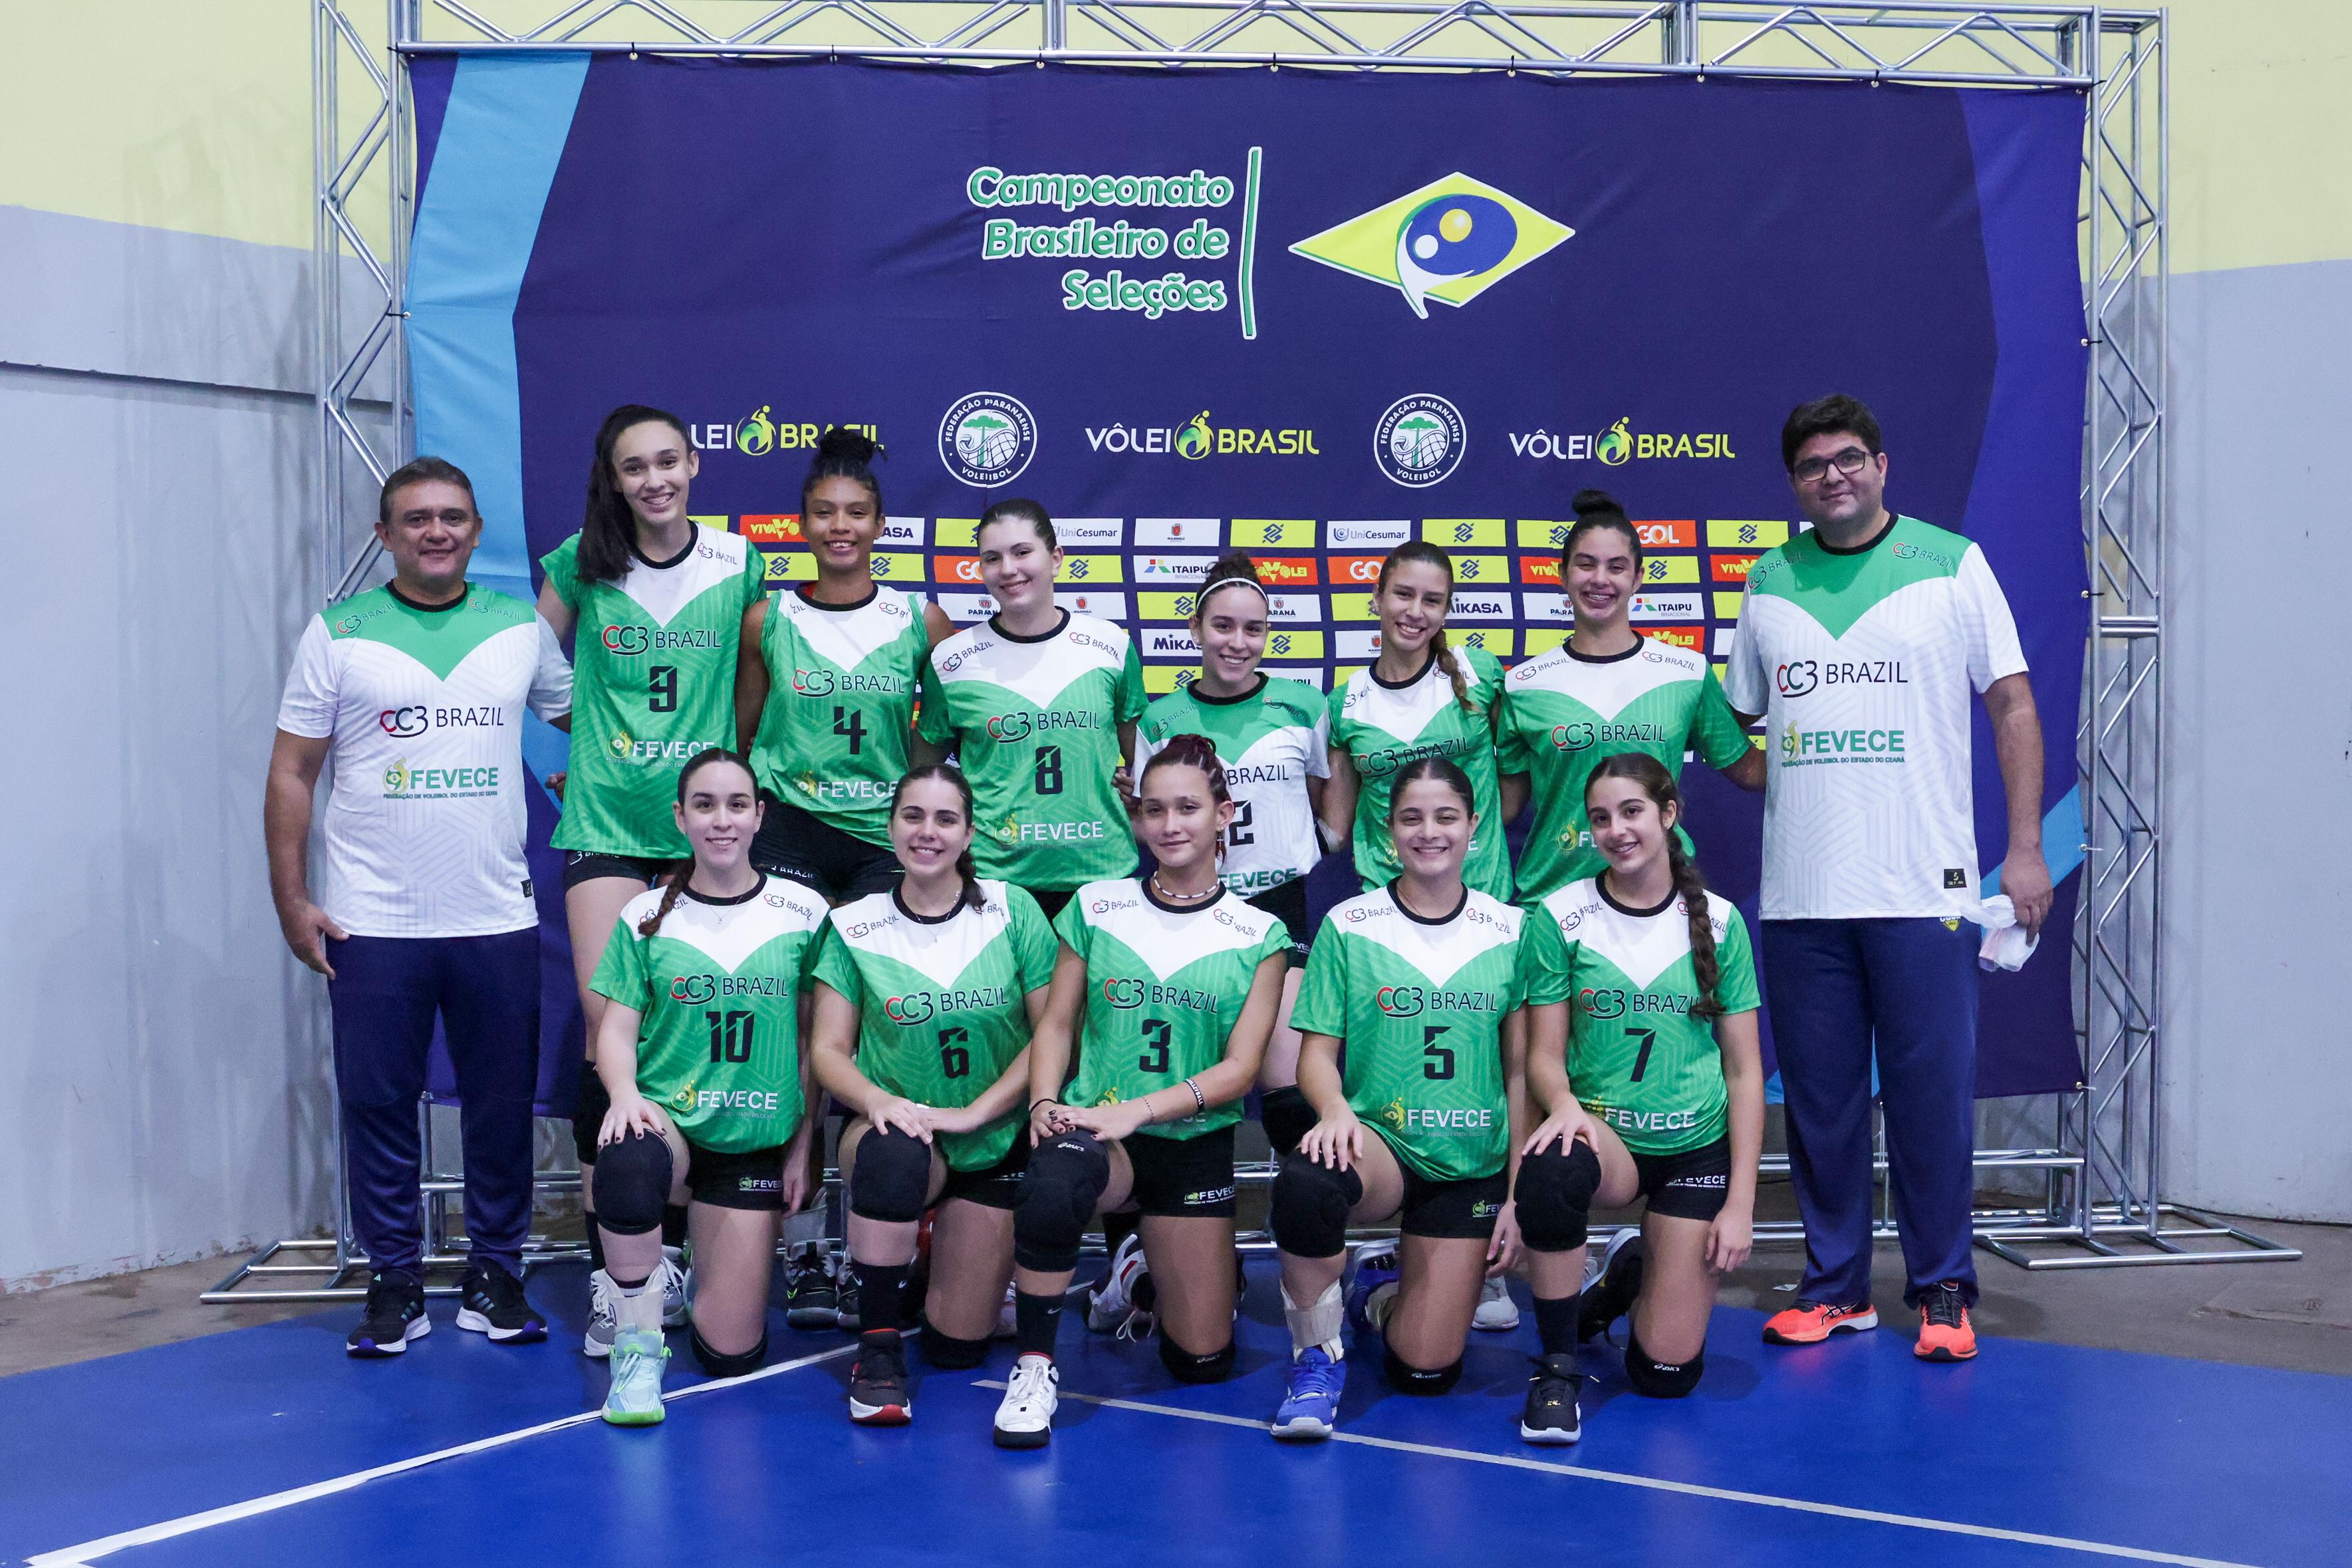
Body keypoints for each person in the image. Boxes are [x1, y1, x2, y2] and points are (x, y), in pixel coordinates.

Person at [1723, 394, 2052, 1363]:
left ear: (1881, 464)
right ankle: (1835, 1290)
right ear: (1794, 483)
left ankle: (1943, 1289)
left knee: (1928, 1104)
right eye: (1813, 465)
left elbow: (2014, 705)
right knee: (1820, 1108)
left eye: (1849, 458)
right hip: (1803, 897)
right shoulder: (1768, 579)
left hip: (1923, 893)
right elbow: (1745, 729)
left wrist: (2024, 847)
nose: (1833, 475)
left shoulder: (1952, 563)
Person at [267, 456, 571, 1356]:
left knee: (500, 1106)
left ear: (476, 531)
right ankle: (394, 1281)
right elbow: (291, 772)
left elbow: (591, 727)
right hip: (372, 922)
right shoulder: (339, 633)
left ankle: (496, 1275)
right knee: (378, 1104)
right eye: (416, 518)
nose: (436, 531)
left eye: (452, 517)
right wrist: (293, 899)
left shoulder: (519, 628)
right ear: (384, 534)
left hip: (496, 917)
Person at [537, 405, 766, 1349]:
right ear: (614, 476)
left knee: (684, 1034)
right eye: (635, 467)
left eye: (668, 461)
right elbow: (528, 660)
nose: (655, 480)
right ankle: (617, 1275)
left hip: (696, 831)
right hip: (606, 823)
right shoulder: (579, 560)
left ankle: (673, 1248)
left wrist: (725, 776)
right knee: (611, 1038)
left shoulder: (739, 561)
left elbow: (755, 679)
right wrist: (587, 724)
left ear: (694, 464)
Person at [996, 737, 1292, 1447]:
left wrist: (1140, 1111)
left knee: (1201, 1361)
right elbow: (1057, 1023)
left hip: (1190, 1144)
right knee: (1052, 1181)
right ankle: (1034, 1368)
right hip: (1101, 1135)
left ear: (1224, 815)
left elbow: (1240, 1070)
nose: (1169, 824)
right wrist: (1044, 1101)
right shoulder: (1097, 906)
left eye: (1188, 808)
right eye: (1153, 810)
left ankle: (1135, 1273)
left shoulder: (1260, 933)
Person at [732, 426, 954, 1329]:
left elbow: (940, 738)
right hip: (789, 823)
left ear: (879, 524)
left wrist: (916, 815)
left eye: (855, 513)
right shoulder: (769, 621)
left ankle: (879, 1239)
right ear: (802, 524)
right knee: (792, 1024)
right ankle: (805, 1246)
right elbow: (744, 732)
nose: (839, 527)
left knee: (866, 1030)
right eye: (823, 512)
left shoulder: (918, 621)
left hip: (878, 839)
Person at [1265, 757, 1530, 1440]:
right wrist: (1334, 1110)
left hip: (1469, 1162)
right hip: (1381, 1146)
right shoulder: (1350, 924)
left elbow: (1521, 1074)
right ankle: (1316, 1359)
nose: (1428, 832)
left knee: (1425, 1370)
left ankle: (1378, 1297)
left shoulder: (1512, 931)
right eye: (1411, 818)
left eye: (1445, 817)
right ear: (1389, 829)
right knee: (1306, 1182)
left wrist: (1515, 1195)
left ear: (1473, 826)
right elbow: (1315, 1057)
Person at [1512, 754, 1764, 1443]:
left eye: (1631, 812)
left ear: (1668, 814)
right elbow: (1542, 1055)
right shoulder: (1562, 917)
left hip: (1694, 1150)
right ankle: (1557, 1370)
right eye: (1600, 818)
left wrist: (1741, 1204)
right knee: (1551, 1170)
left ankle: (1627, 1275)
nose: (1616, 830)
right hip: (1608, 1141)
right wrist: (1562, 1104)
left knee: (1664, 1375)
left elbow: (1745, 1072)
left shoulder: (1720, 923)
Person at [583, 749, 829, 1424]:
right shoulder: (644, 915)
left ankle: (697, 1273)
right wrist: (625, 1096)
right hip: (673, 1124)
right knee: (627, 1156)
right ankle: (636, 1347)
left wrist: (802, 1146)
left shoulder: (803, 912)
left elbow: (815, 1043)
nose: (722, 820)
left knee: (731, 1354)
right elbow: (615, 1031)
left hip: (752, 1139)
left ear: (759, 816)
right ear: (680, 817)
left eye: (736, 805)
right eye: (705, 805)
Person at [1116, 553, 1329, 1328]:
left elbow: (1323, 804)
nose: (1238, 642)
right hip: (1188, 917)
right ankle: (1139, 1258)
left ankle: (1309, 1281)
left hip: (1278, 913)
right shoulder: (1161, 718)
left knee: (1288, 1096)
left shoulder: (1305, 705)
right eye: (1223, 626)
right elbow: (1152, 822)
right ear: (1196, 629)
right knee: (1163, 1089)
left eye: (1254, 629)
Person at [809, 766, 1057, 1426]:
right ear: (890, 827)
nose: (928, 832)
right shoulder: (854, 924)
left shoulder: (1013, 909)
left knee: (956, 1347)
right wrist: (876, 1101)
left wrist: (978, 1111)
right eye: (913, 816)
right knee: (892, 1157)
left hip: (991, 1135)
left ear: (969, 833)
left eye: (946, 819)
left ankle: (923, 1263)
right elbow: (828, 1050)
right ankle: (878, 1351)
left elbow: (1052, 1034)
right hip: (903, 1127)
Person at [1496, 489, 1764, 905]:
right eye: (1586, 564)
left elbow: (1749, 770)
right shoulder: (1523, 685)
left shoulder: (1687, 673)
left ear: (1638, 577)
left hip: (1662, 901)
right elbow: (1504, 807)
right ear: (1562, 573)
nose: (1600, 579)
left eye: (1616, 567)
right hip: (1553, 905)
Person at [916, 498, 1145, 922]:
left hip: (1103, 876)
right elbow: (922, 775)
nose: (1008, 569)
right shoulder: (951, 661)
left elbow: (1144, 763)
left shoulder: (1111, 646)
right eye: (992, 558)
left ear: (1055, 558)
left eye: (1022, 552)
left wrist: (1135, 788)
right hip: (995, 881)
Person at [1323, 543, 1511, 904]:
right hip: (1385, 902)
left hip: (1482, 897)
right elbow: (1337, 828)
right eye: (1404, 594)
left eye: (1432, 600)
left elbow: (1513, 786)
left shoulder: (1480, 674)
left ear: (1446, 610)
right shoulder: (1344, 704)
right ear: (1378, 597)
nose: (1415, 612)